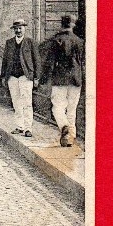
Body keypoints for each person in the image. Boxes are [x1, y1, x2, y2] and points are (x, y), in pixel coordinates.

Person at [41, 15, 84, 147]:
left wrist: (43, 79)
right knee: (72, 109)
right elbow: (82, 62)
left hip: (60, 78)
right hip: (76, 79)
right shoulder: (79, 41)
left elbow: (50, 62)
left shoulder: (56, 40)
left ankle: (64, 127)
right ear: (73, 25)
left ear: (62, 24)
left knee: (58, 107)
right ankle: (70, 138)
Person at [1, 19, 41, 138]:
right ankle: (20, 126)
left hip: (26, 76)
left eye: (20, 28)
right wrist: (4, 76)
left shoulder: (30, 42)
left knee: (27, 102)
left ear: (24, 28)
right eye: (16, 29)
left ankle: (28, 128)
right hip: (12, 77)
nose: (18, 31)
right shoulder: (9, 43)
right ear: (13, 30)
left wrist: (36, 77)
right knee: (16, 102)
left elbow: (37, 60)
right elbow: (5, 61)